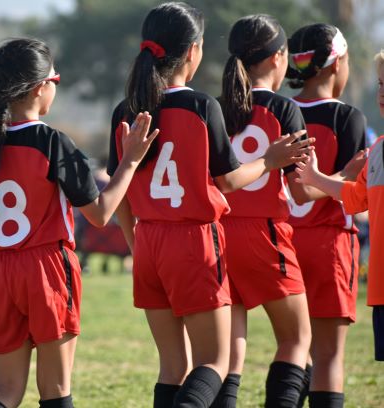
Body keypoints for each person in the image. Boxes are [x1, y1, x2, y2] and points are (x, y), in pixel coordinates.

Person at [0, 38, 159, 408]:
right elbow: (99, 215)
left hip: (1, 272)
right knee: (55, 392)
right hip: (47, 268)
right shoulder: (52, 142)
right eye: (56, 80)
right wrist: (129, 162)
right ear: (39, 88)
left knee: (4, 392)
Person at [107, 4, 313, 407]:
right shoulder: (202, 106)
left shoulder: (125, 110)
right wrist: (269, 161)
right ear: (193, 52)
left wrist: (137, 244)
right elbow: (229, 181)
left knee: (172, 368)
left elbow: (121, 196)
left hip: (148, 242)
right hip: (193, 242)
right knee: (216, 361)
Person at [213, 15, 313, 408]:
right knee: (295, 340)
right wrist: (346, 179)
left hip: (219, 234)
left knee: (229, 353)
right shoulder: (285, 110)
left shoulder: (215, 108)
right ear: (278, 58)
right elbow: (302, 192)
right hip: (265, 235)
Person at [285, 24, 367, 408]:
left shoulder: (277, 109)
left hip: (279, 242)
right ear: (336, 64)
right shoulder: (346, 116)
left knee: (292, 350)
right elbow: (352, 192)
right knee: (329, 357)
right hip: (329, 242)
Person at [295, 50, 384, 366]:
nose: (382, 94)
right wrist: (316, 178)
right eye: (381, 84)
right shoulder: (377, 149)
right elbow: (356, 198)